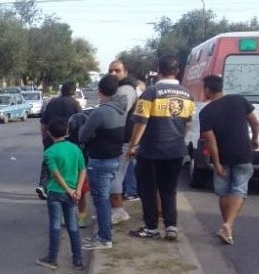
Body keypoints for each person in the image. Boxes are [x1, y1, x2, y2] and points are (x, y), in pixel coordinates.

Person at [126, 55, 195, 241]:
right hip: (176, 149)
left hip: (151, 150)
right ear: (177, 71)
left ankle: (151, 228)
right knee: (169, 189)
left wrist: (132, 146)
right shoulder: (188, 94)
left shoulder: (151, 92)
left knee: (148, 189)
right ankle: (171, 226)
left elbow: (140, 123)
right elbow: (188, 124)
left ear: (158, 70)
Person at [199, 74, 259, 245]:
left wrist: (216, 162)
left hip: (223, 156)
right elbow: (255, 123)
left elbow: (211, 140)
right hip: (243, 153)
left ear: (208, 90)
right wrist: (254, 139)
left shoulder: (206, 112)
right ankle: (228, 227)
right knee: (239, 190)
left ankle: (227, 226)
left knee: (224, 191)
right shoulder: (239, 100)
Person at [77, 74, 127, 250]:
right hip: (114, 158)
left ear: (99, 91)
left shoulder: (101, 112)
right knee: (103, 197)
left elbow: (83, 135)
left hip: (100, 160)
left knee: (101, 199)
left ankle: (104, 237)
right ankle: (106, 230)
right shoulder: (121, 109)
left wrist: (91, 132)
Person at [36, 117, 86, 270]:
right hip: (73, 193)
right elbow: (82, 170)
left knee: (55, 225)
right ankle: (77, 260)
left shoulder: (50, 152)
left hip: (56, 192)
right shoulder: (75, 148)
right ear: (67, 132)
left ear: (49, 133)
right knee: (73, 226)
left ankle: (52, 258)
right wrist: (77, 190)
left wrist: (68, 189)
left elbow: (55, 174)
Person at [106, 59, 139, 225]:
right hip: (123, 139)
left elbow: (117, 113)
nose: (113, 74)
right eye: (110, 70)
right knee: (115, 176)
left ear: (125, 73)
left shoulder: (125, 89)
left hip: (123, 140)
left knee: (115, 177)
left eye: (117, 71)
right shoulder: (122, 89)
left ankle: (118, 211)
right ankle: (113, 210)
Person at [37, 81, 82, 200]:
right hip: (69, 139)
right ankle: (68, 187)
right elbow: (80, 121)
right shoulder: (75, 104)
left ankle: (43, 185)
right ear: (73, 91)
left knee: (48, 161)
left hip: (51, 137)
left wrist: (44, 136)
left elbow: (43, 122)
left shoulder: (52, 102)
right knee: (68, 163)